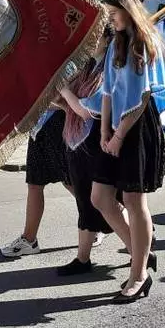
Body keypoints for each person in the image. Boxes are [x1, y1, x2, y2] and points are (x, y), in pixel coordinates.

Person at [91, 0, 165, 304]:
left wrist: (118, 136)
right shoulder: (116, 43)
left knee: (133, 200)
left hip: (138, 129)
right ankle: (140, 251)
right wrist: (104, 132)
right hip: (114, 127)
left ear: (127, 10)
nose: (110, 19)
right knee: (99, 197)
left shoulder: (145, 42)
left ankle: (139, 275)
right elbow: (109, 92)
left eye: (113, 13)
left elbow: (141, 98)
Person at [55, 28, 120, 276]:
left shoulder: (108, 71)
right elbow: (68, 105)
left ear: (106, 40)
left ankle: (142, 249)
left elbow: (86, 110)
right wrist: (55, 94)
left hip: (96, 142)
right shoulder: (88, 66)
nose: (89, 43)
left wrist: (63, 91)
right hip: (77, 142)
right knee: (85, 200)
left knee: (112, 203)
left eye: (94, 38)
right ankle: (83, 259)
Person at [0, 108, 81, 258]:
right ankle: (29, 240)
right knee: (35, 183)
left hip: (60, 122)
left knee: (69, 180)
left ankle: (102, 216)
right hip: (39, 125)